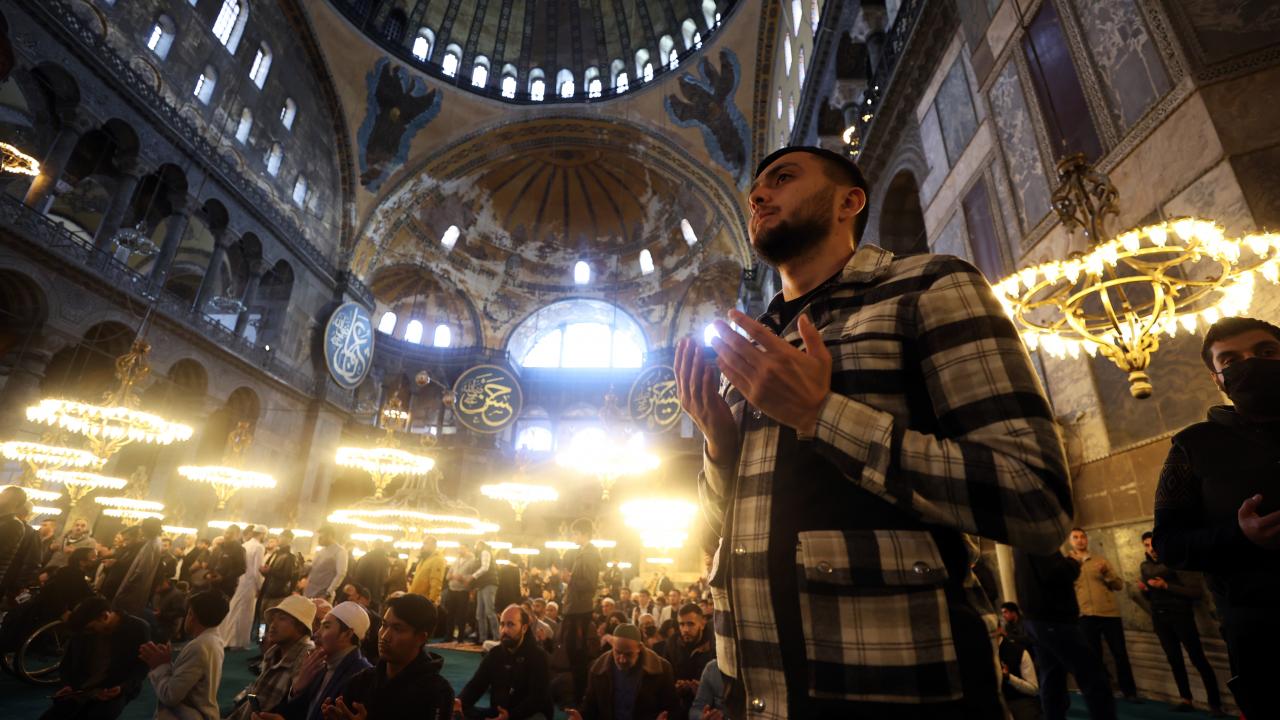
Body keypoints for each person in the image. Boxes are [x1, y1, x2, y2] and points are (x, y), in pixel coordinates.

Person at [674, 146, 1072, 718]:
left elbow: (1036, 500)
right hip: (759, 701)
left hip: (907, 690)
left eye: (782, 178)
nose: (757, 195)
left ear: (849, 201)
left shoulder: (929, 287)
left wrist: (820, 416)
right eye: (755, 189)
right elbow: (716, 534)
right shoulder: (753, 345)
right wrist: (719, 444)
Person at [1152, 316, 1280, 719]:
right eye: (1231, 360)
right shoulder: (1191, 447)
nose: (1250, 363)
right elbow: (1168, 543)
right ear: (1217, 378)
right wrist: (1239, 535)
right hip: (1263, 636)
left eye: (1265, 352)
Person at [1014, 550, 1115, 720]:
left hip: (1036, 619)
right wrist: (1074, 562)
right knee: (1092, 674)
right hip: (1054, 619)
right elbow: (1056, 574)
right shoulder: (1038, 541)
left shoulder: (1020, 544)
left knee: (1052, 677)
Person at [323, 594, 454, 720]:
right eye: (384, 625)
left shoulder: (437, 693)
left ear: (420, 638)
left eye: (398, 629)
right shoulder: (362, 681)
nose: (385, 636)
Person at [1136, 532, 1225, 714]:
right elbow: (1151, 595)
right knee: (1174, 659)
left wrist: (1167, 586)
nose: (1151, 549)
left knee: (1197, 658)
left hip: (1180, 616)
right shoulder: (1145, 567)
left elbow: (1196, 592)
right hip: (1160, 618)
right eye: (1146, 545)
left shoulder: (1177, 562)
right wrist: (1146, 590)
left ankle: (1215, 704)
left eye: (1153, 544)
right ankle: (1186, 699)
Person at [254, 602, 372, 720]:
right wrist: (296, 689)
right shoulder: (322, 665)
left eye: (326, 627)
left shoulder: (363, 677)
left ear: (347, 634)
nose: (316, 634)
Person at [42, 595, 151, 720]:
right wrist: (67, 685)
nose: (87, 633)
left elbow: (141, 667)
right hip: (81, 687)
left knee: (98, 714)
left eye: (91, 628)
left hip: (113, 687)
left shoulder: (137, 628)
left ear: (105, 616)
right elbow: (68, 663)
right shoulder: (84, 630)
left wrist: (123, 687)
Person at [1066, 528, 1137, 702]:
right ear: (1070, 541)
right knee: (1093, 656)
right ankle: (1103, 691)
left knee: (1119, 653)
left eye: (1082, 537)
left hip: (1109, 614)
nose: (1080, 540)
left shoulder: (1100, 560)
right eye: (1075, 537)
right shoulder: (1067, 563)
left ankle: (1129, 692)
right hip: (1085, 615)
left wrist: (1106, 573)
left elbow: (1118, 585)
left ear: (1087, 539)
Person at [139, 590, 230, 720]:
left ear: (192, 616)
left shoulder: (199, 646)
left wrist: (159, 666)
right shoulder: (214, 640)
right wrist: (167, 664)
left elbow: (170, 696)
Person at [227, 595, 315, 720]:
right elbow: (257, 697)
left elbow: (297, 707)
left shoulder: (306, 656)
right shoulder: (274, 651)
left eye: (282, 619)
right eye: (273, 619)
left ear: (300, 626)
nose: (273, 625)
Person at [457, 604, 553, 720]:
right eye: (502, 624)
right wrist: (459, 703)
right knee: (460, 712)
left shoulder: (538, 656)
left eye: (511, 624)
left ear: (524, 628)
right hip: (498, 713)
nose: (505, 630)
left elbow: (537, 699)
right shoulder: (495, 654)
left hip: (527, 714)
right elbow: (476, 685)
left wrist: (510, 716)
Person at [567, 623, 680, 720]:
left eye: (628, 654)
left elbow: (672, 707)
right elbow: (590, 705)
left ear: (640, 648)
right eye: (617, 652)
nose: (622, 659)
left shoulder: (662, 669)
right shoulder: (598, 668)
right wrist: (580, 716)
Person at [560, 519, 602, 705]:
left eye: (575, 533)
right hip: (575, 608)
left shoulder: (590, 554)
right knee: (573, 652)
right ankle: (577, 696)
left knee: (578, 654)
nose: (573, 537)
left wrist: (570, 580)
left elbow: (590, 585)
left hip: (580, 610)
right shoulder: (583, 552)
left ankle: (580, 699)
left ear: (584, 533)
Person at [662, 604, 715, 715]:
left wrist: (704, 689)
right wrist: (675, 686)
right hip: (679, 704)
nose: (685, 629)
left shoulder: (714, 644)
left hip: (708, 706)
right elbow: (665, 675)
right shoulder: (672, 643)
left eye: (690, 624)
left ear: (702, 624)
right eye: (681, 624)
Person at [222, 524, 265, 649]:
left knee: (234, 609)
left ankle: (228, 639)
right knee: (245, 613)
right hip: (250, 583)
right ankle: (238, 642)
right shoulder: (259, 547)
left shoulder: (245, 545)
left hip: (240, 581)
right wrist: (260, 586)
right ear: (262, 535)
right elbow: (257, 570)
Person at [114, 518, 165, 618]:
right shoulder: (155, 542)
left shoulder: (152, 544)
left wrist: (128, 585)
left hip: (134, 588)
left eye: (142, 527)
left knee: (124, 614)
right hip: (138, 586)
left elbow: (141, 570)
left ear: (148, 529)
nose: (141, 530)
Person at [998, 614, 1041, 720]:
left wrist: (1009, 677)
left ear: (999, 630)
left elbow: (1033, 689)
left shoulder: (1018, 651)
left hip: (1018, 702)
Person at [303, 526, 348, 603]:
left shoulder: (340, 551)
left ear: (329, 536)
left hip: (323, 594)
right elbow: (314, 567)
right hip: (309, 591)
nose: (319, 540)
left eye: (321, 537)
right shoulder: (321, 551)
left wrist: (328, 592)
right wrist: (303, 564)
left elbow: (341, 573)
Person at [262, 530, 302, 613]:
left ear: (289, 540)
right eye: (280, 536)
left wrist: (270, 571)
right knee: (263, 615)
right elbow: (269, 570)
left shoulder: (290, 556)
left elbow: (287, 576)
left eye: (282, 537)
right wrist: (264, 571)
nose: (279, 539)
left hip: (278, 594)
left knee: (271, 617)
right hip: (267, 591)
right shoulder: (276, 553)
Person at [207, 525, 246, 601]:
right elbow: (211, 563)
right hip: (212, 583)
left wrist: (223, 578)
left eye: (231, 533)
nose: (227, 535)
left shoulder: (239, 549)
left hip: (227, 587)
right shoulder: (218, 547)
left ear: (237, 535)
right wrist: (208, 574)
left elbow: (242, 568)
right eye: (226, 532)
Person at [471, 540, 499, 645]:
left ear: (481, 545)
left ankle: (497, 638)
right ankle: (482, 639)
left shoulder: (485, 552)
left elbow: (485, 568)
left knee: (489, 612)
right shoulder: (479, 555)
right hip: (482, 585)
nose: (475, 547)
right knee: (479, 613)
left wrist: (473, 577)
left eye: (477, 545)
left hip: (489, 583)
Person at [351, 540, 390, 611]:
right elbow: (386, 579)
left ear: (373, 546)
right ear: (383, 546)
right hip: (377, 595)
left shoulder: (365, 557)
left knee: (361, 614)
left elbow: (358, 575)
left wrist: (357, 592)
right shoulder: (386, 560)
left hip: (364, 594)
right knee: (373, 615)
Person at [407, 537, 446, 607]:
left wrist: (431, 602)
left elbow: (436, 582)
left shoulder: (437, 560)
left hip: (424, 602)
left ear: (433, 546)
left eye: (426, 544)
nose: (422, 546)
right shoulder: (424, 560)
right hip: (415, 599)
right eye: (423, 543)